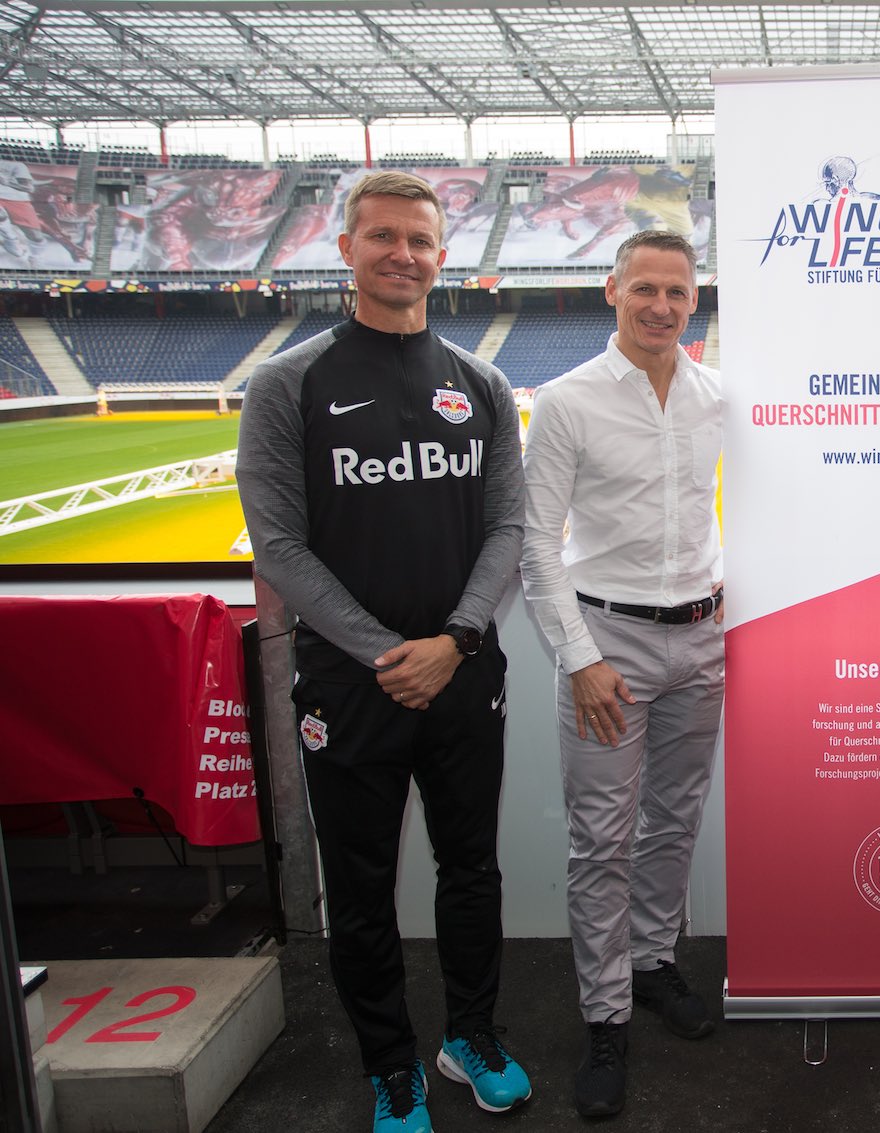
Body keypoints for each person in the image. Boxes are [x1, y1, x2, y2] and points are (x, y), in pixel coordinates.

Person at [237, 170, 531, 1133]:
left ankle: (471, 1037)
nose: (403, 253)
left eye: (420, 239)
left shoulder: (483, 385)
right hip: (348, 682)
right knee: (361, 890)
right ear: (347, 248)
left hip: (464, 673)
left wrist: (455, 640)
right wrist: (385, 652)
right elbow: (279, 546)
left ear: (443, 256)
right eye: (383, 236)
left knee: (472, 870)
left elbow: (507, 528)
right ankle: (390, 1068)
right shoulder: (289, 383)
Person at [519, 228, 724, 1119]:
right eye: (644, 288)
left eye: (676, 291)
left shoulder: (716, 395)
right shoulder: (568, 401)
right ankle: (605, 1016)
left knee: (674, 819)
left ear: (693, 300)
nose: (660, 306)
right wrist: (582, 658)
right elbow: (537, 544)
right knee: (602, 838)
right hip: (609, 646)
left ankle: (651, 961)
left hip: (703, 640)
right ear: (613, 290)